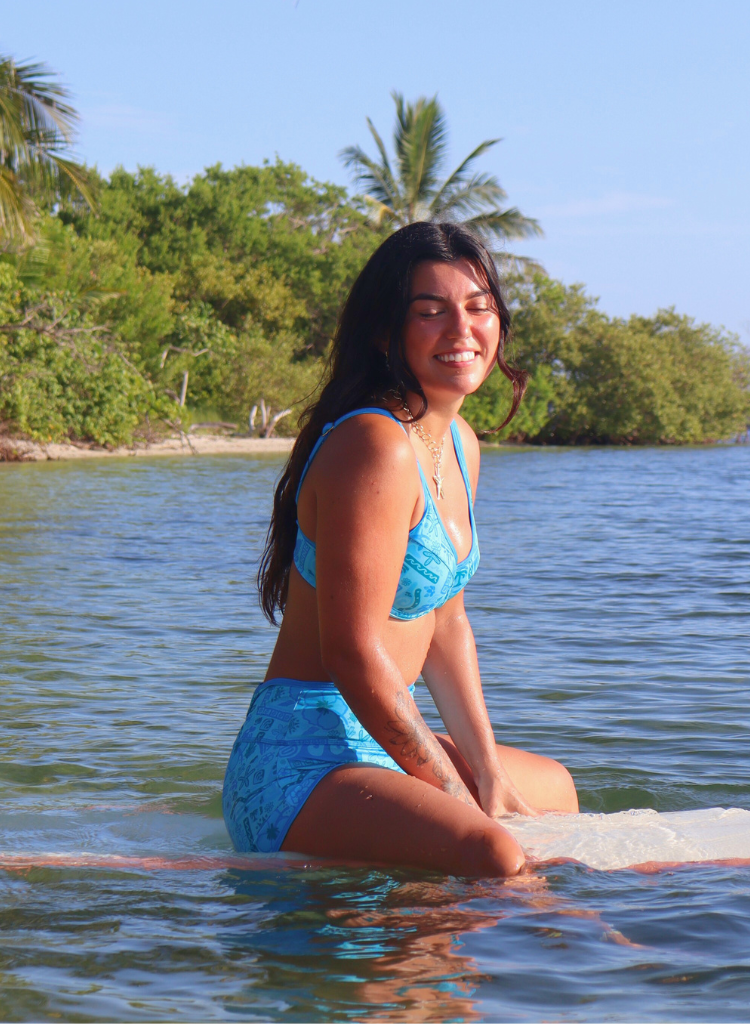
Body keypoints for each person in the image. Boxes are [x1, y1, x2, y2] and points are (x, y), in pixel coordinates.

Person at [223, 222, 579, 877]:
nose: (461, 329)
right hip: (306, 753)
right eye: (430, 312)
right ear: (386, 334)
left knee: (552, 786)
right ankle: (583, 956)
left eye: (478, 308)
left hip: (381, 739)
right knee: (492, 852)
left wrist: (487, 772)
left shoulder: (460, 443)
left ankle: (528, 953)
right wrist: (453, 794)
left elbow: (446, 623)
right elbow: (353, 655)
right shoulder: (373, 444)